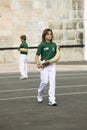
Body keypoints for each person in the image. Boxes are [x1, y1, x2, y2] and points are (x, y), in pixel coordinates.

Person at [35, 28, 59, 106]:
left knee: (52, 83)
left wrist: (58, 49)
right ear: (44, 35)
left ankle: (52, 100)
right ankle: (39, 94)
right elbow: (37, 55)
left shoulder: (54, 44)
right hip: (44, 64)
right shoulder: (42, 44)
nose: (49, 35)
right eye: (48, 34)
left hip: (52, 65)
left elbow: (56, 55)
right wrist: (38, 63)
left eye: (50, 34)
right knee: (44, 82)